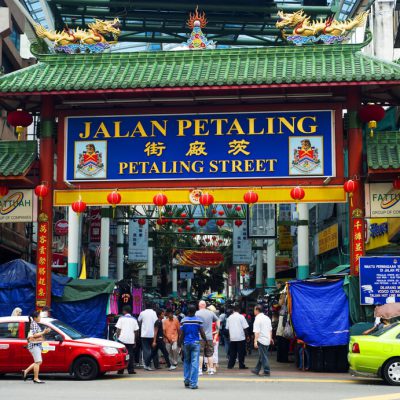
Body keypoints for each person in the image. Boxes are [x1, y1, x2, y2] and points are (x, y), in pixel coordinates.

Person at [179, 303, 208, 390]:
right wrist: (206, 340)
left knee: (186, 362)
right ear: (195, 311)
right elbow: (202, 332)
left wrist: (180, 343)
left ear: (188, 311)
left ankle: (186, 380)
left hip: (186, 343)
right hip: (195, 343)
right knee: (195, 363)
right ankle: (193, 383)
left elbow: (182, 334)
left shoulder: (183, 320)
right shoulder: (198, 320)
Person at [22, 311, 50, 383]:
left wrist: (44, 332)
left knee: (38, 362)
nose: (40, 318)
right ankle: (36, 378)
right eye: (39, 316)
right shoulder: (34, 324)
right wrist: (44, 332)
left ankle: (26, 371)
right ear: (35, 318)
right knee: (38, 362)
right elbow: (34, 335)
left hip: (35, 345)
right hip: (34, 345)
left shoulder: (34, 324)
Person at [195, 300, 219, 375]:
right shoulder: (211, 313)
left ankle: (200, 370)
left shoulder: (197, 313)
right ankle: (211, 370)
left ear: (200, 306)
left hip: (200, 337)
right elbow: (217, 320)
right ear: (205, 305)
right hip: (209, 337)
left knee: (200, 354)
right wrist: (218, 329)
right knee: (210, 354)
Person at [115, 305, 139, 375]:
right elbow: (136, 331)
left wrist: (117, 337)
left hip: (122, 339)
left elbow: (118, 329)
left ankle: (120, 370)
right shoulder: (134, 319)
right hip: (131, 340)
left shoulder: (121, 318)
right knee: (130, 354)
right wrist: (135, 340)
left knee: (121, 355)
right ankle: (131, 370)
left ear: (124, 311)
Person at [251, 305, 273, 376]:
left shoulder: (257, 319)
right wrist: (270, 338)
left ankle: (267, 371)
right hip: (267, 339)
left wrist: (255, 341)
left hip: (261, 340)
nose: (253, 311)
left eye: (254, 310)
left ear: (257, 310)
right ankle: (257, 369)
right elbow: (270, 330)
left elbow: (257, 332)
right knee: (262, 355)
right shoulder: (267, 318)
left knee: (263, 356)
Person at [226, 305, 249, 369]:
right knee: (241, 352)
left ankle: (230, 365)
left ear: (233, 310)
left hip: (232, 338)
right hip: (241, 337)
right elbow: (245, 328)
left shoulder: (229, 317)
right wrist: (247, 336)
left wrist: (229, 337)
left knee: (232, 352)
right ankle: (241, 365)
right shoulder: (241, 317)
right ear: (239, 310)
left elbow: (227, 329)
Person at [138, 303, 158, 370]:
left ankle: (147, 365)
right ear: (152, 306)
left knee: (146, 350)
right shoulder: (154, 313)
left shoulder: (142, 313)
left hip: (144, 334)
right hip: (152, 334)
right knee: (152, 350)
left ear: (145, 306)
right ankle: (151, 364)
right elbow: (156, 322)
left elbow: (139, 320)